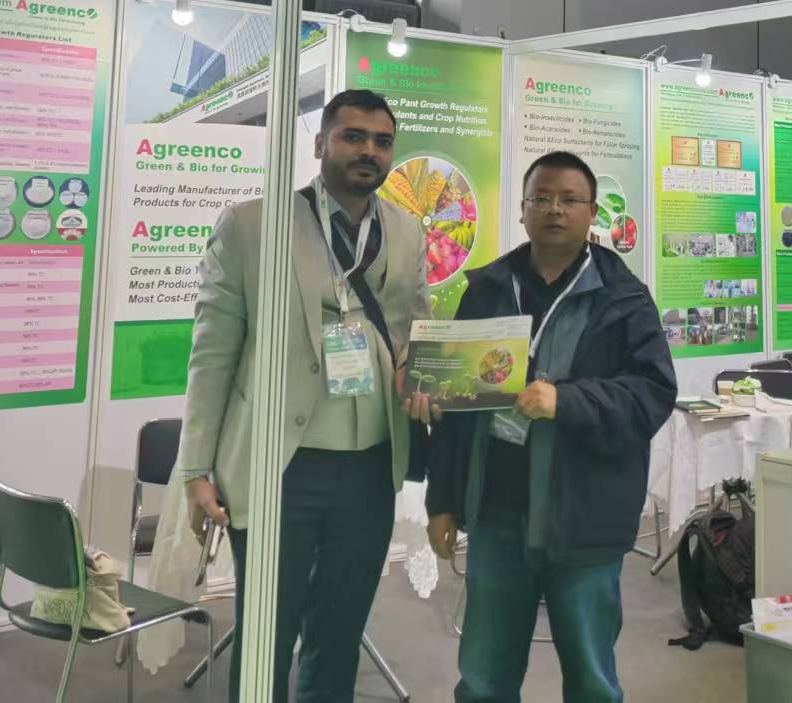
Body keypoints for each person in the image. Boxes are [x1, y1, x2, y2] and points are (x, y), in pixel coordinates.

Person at [177, 90, 431, 703]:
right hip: (279, 466)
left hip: (370, 466)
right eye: (353, 136)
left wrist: (419, 371)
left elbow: (414, 329)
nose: (368, 151)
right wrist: (195, 468)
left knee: (339, 632)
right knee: (267, 632)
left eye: (382, 141)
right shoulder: (251, 226)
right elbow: (212, 356)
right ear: (320, 144)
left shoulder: (405, 231)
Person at [421, 151, 676, 703]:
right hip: (497, 517)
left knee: (591, 681)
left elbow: (653, 392)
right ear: (522, 210)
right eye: (541, 198)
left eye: (569, 199)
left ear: (591, 213)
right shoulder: (488, 289)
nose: (554, 209)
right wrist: (442, 500)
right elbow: (458, 409)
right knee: (483, 680)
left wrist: (569, 401)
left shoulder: (625, 298)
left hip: (585, 520)